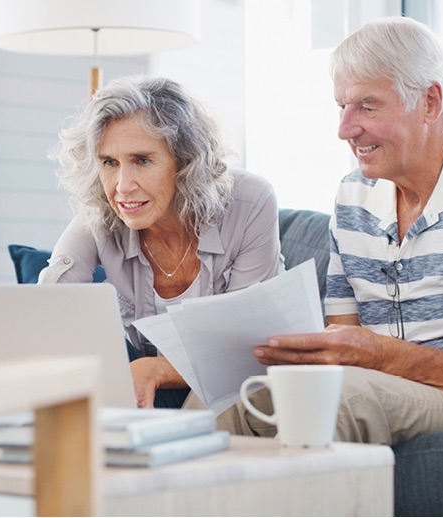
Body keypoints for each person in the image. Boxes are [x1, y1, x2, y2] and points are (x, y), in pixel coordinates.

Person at [218, 16, 443, 446]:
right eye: (342, 107)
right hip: (381, 390)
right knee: (222, 401)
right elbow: (342, 346)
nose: (345, 129)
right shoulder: (354, 195)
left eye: (368, 106)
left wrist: (384, 356)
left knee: (335, 401)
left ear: (430, 101)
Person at [38, 75, 283, 409]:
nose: (122, 186)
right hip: (142, 384)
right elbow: (48, 309)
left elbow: (246, 348)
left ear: (184, 162)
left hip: (235, 384)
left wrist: (156, 369)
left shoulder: (250, 201)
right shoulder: (102, 210)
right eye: (109, 162)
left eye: (142, 160)